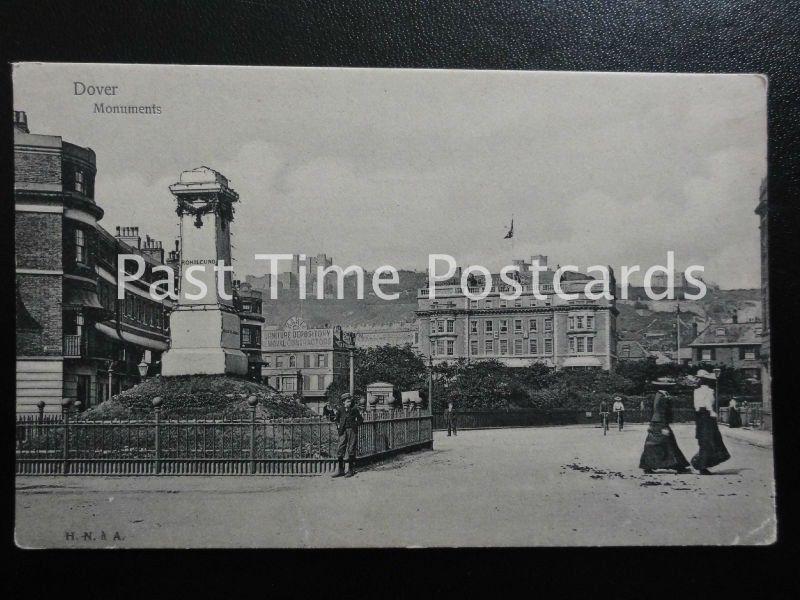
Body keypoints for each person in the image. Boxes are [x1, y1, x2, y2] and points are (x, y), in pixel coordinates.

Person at [639, 387, 690, 474]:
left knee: (653, 444)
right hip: (661, 423)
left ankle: (648, 466)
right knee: (669, 444)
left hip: (655, 423)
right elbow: (661, 412)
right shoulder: (663, 397)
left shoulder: (658, 395)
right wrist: (664, 426)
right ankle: (679, 466)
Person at [691, 370, 731, 475]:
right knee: (710, 440)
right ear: (708, 381)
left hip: (699, 416)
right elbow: (708, 403)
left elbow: (696, 406)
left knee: (703, 439)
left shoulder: (696, 391)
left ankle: (701, 463)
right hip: (707, 416)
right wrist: (712, 412)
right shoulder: (709, 391)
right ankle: (702, 465)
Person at [328, 392, 364, 478]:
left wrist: (355, 424)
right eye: (347, 401)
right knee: (340, 448)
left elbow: (360, 420)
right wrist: (338, 426)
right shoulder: (341, 409)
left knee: (351, 449)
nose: (349, 403)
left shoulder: (354, 409)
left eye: (350, 401)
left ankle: (350, 470)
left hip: (352, 430)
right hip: (343, 431)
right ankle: (341, 470)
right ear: (343, 402)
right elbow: (336, 419)